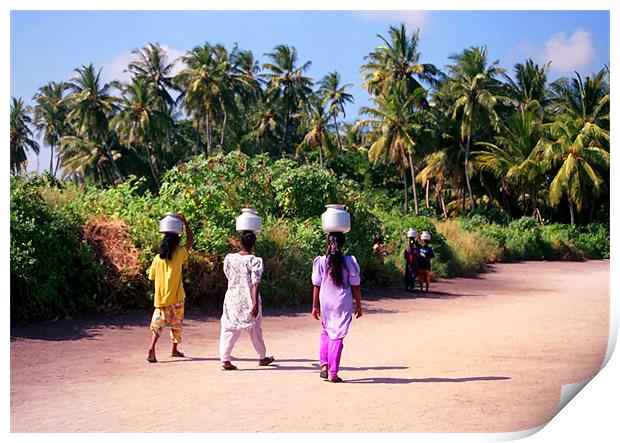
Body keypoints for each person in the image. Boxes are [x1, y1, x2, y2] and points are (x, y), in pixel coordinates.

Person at [219, 230, 274, 370]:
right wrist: (254, 303)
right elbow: (255, 283)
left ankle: (225, 359)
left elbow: (227, 274)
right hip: (248, 298)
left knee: (229, 327)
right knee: (255, 329)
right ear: (253, 244)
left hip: (232, 298)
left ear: (240, 242)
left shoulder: (229, 258)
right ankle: (262, 357)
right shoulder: (255, 261)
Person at [312, 232, 362, 383]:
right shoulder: (349, 261)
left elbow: (316, 284)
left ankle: (324, 365)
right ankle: (333, 373)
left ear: (328, 244)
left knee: (326, 330)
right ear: (343, 245)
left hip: (325, 301)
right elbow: (356, 285)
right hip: (341, 303)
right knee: (338, 335)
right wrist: (358, 304)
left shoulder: (321, 261)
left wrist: (315, 306)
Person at [147, 213, 193, 363]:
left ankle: (152, 348)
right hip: (177, 297)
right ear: (175, 245)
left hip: (161, 300)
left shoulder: (157, 259)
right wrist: (185, 223)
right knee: (176, 325)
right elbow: (191, 240)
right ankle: (174, 350)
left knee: (157, 325)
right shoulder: (179, 254)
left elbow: (152, 277)